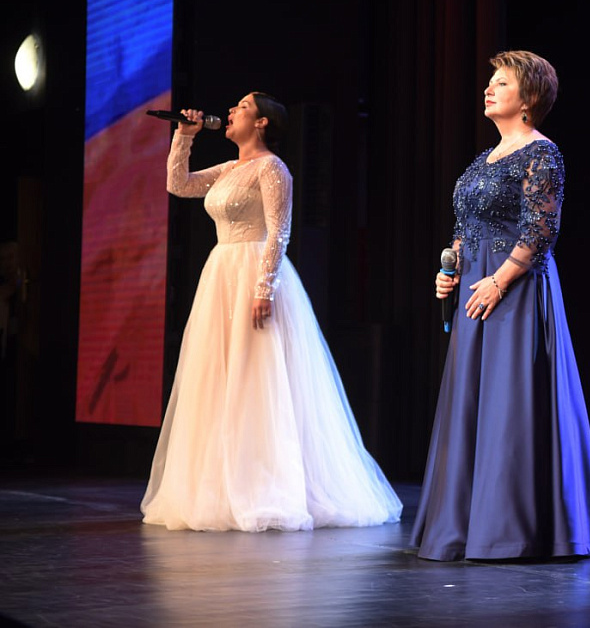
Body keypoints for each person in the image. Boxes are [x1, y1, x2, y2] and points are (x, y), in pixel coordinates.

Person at [141, 92, 402, 532]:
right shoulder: (229, 169)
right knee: (218, 373)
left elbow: (280, 231)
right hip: (221, 273)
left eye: (242, 107)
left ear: (262, 122)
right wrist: (183, 137)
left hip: (254, 270)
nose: (230, 111)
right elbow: (179, 185)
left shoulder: (272, 168)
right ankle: (220, 482)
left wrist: (264, 288)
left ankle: (267, 482)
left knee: (256, 373)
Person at [411, 50, 590, 561]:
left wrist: (499, 282)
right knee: (473, 401)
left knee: (510, 400)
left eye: (501, 83)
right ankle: (464, 525)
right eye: (491, 82)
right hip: (475, 286)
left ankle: (511, 529)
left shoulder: (542, 153)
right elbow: (465, 224)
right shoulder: (486, 157)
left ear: (528, 98)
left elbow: (541, 229)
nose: (489, 89)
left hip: (514, 290)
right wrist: (451, 268)